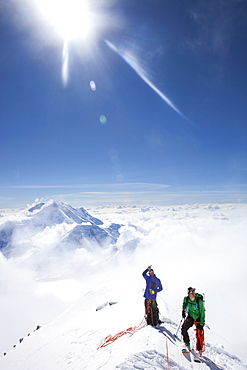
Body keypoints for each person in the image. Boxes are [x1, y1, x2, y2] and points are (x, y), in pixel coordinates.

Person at [181, 287, 205, 352]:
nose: (193, 293)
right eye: (191, 292)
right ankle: (187, 344)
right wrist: (183, 310)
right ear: (188, 293)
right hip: (191, 316)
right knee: (183, 328)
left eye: (193, 291)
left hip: (198, 317)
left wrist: (202, 322)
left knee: (199, 333)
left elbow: (202, 311)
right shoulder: (186, 299)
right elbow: (184, 304)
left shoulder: (198, 300)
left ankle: (200, 350)